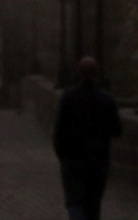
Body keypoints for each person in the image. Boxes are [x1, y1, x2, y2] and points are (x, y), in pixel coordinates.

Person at [53, 57, 123, 220]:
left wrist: (62, 155)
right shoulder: (107, 99)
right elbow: (117, 130)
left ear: (79, 74)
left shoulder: (68, 97)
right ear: (97, 75)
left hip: (73, 158)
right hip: (97, 159)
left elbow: (59, 129)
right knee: (93, 203)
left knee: (75, 202)